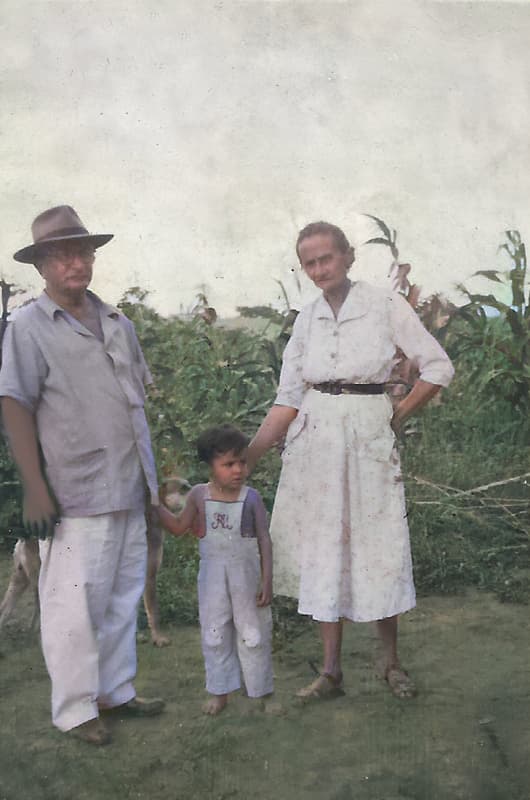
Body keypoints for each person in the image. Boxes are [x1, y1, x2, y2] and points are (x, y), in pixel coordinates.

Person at [247, 221, 454, 700]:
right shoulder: (307, 320)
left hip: (367, 436)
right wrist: (249, 457)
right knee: (324, 548)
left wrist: (397, 415)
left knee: (378, 544)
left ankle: (390, 663)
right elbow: (288, 397)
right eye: (310, 263)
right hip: (315, 440)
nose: (320, 269)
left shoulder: (384, 304)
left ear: (348, 256)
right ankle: (331, 672)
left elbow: (438, 366)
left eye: (327, 258)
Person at [0, 205, 164, 745]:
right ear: (41, 265)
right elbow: (15, 404)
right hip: (74, 491)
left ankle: (115, 691)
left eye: (83, 251)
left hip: (128, 483)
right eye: (62, 255)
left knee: (121, 596)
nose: (76, 263)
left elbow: (133, 404)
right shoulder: (28, 327)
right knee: (73, 607)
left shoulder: (118, 322)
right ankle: (75, 711)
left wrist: (151, 486)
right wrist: (34, 487)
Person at [158, 424, 274, 715]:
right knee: (215, 633)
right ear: (210, 466)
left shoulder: (251, 498)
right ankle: (220, 692)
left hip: (246, 579)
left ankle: (259, 691)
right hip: (212, 581)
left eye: (242, 462)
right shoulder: (199, 495)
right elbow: (179, 527)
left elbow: (264, 539)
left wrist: (267, 580)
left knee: (253, 632)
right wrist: (153, 506)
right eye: (229, 464)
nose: (238, 470)